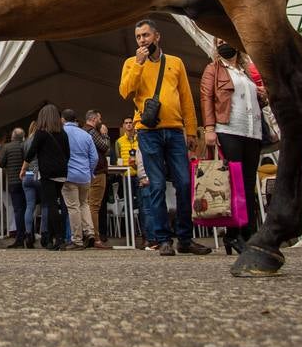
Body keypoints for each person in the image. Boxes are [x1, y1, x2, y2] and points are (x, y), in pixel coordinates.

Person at [118, 19, 210, 257]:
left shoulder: (175, 63)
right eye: (138, 37)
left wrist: (191, 131)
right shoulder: (131, 62)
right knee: (156, 185)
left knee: (184, 183)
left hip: (174, 130)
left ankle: (186, 239)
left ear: (157, 36)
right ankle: (163, 239)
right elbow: (125, 91)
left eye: (146, 35)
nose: (142, 40)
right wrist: (138, 64)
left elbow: (187, 99)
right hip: (148, 133)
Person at [201, 39, 267, 256]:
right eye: (218, 41)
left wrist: (261, 95)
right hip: (228, 129)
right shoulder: (214, 69)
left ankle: (248, 232)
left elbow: (250, 101)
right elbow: (206, 98)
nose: (223, 44)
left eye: (225, 39)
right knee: (234, 183)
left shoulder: (245, 72)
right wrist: (209, 128)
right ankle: (233, 232)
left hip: (252, 131)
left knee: (248, 184)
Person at [21, 104, 68, 251]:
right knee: (57, 204)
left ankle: (58, 238)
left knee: (51, 205)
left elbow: (31, 152)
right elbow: (68, 153)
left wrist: (23, 169)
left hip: (47, 173)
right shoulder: (63, 133)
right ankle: (58, 237)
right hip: (62, 172)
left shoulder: (41, 133)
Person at [62, 108, 99, 250]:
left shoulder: (62, 133)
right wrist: (89, 171)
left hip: (69, 174)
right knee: (84, 204)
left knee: (73, 207)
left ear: (63, 119)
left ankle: (77, 239)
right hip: (85, 175)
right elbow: (94, 157)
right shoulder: (85, 135)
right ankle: (90, 233)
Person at [0, 126, 28, 248]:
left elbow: (2, 163)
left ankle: (20, 237)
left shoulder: (6, 147)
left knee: (18, 209)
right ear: (23, 137)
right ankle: (29, 235)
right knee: (28, 208)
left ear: (13, 137)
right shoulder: (26, 146)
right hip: (26, 180)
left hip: (13, 182)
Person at [84, 110, 112, 248]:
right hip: (97, 172)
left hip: (86, 173)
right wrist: (105, 134)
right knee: (94, 206)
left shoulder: (83, 131)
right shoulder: (92, 132)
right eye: (100, 118)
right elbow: (105, 147)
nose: (101, 121)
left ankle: (88, 235)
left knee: (87, 205)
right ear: (94, 119)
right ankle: (96, 238)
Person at [114, 116, 145, 244]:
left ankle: (145, 235)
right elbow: (118, 158)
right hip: (126, 175)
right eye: (126, 123)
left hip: (139, 175)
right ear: (123, 126)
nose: (128, 125)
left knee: (142, 204)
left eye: (130, 123)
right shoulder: (119, 142)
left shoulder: (140, 140)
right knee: (128, 205)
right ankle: (129, 235)